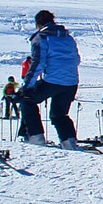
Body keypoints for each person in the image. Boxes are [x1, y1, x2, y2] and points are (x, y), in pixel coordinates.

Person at [22, 9, 81, 148]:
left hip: (52, 81)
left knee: (26, 101)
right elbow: (77, 59)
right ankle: (69, 142)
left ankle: (36, 137)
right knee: (59, 114)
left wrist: (27, 86)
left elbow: (37, 63)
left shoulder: (41, 37)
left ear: (38, 23)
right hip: (71, 82)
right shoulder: (68, 37)